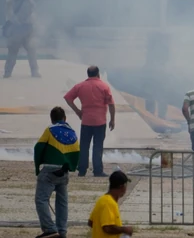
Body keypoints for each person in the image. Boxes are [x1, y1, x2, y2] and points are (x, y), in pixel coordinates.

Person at [34, 106, 79, 238]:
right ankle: (62, 232)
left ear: (52, 119)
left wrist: (38, 168)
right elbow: (77, 151)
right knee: (62, 202)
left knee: (41, 200)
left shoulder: (50, 129)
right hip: (64, 172)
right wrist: (71, 167)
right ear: (65, 118)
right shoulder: (72, 132)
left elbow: (38, 147)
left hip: (49, 171)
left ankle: (50, 229)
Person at [63, 65, 115, 177]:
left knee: (84, 146)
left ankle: (82, 170)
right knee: (98, 146)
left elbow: (68, 98)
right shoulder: (104, 86)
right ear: (98, 74)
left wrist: (77, 111)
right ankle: (97, 170)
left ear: (88, 74)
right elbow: (111, 104)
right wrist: (112, 120)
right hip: (100, 122)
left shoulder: (80, 86)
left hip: (86, 121)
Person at [3, 0, 39, 78]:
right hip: (16, 30)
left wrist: (30, 21)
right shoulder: (12, 1)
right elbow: (10, 14)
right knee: (13, 52)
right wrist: (18, 21)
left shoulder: (30, 1)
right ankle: (7, 72)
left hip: (28, 29)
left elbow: (34, 13)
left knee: (32, 51)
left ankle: (34, 71)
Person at [87, 170, 133, 238]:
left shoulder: (102, 199)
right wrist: (124, 229)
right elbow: (107, 228)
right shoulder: (109, 203)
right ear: (122, 187)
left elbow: (91, 222)